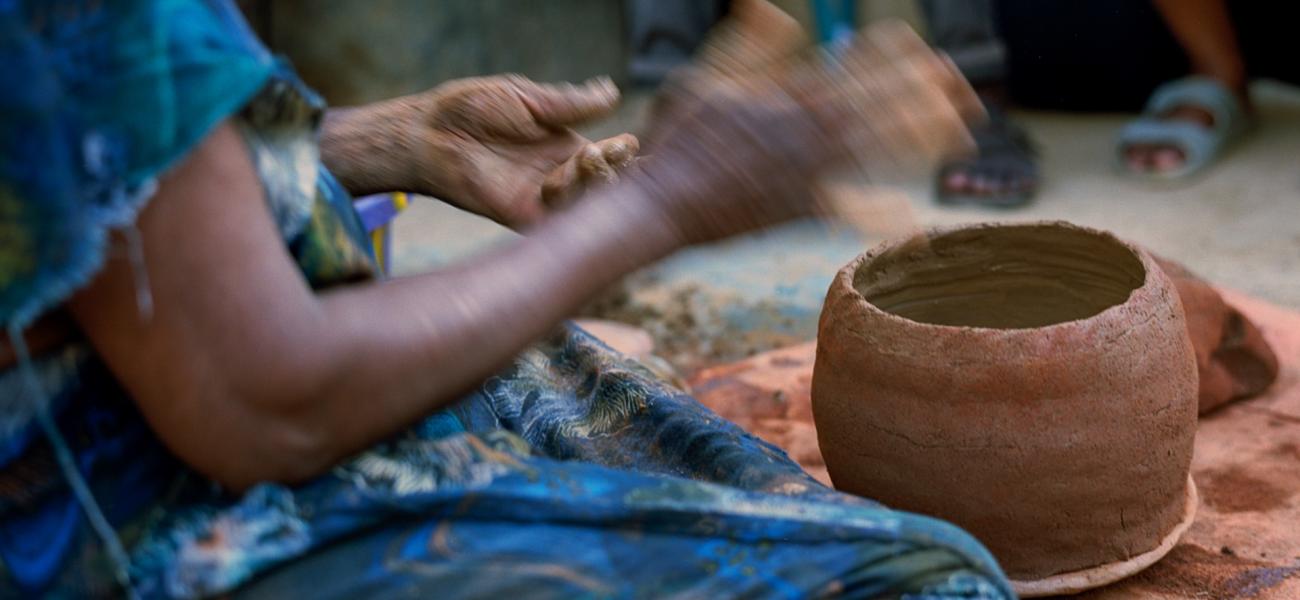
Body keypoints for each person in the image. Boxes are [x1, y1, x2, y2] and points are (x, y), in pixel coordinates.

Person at [0, 0, 1010, 598]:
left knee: (566, 375)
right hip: (128, 525)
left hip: (192, 386)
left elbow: (96, 169)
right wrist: (673, 197)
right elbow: (265, 404)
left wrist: (392, 141)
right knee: (929, 580)